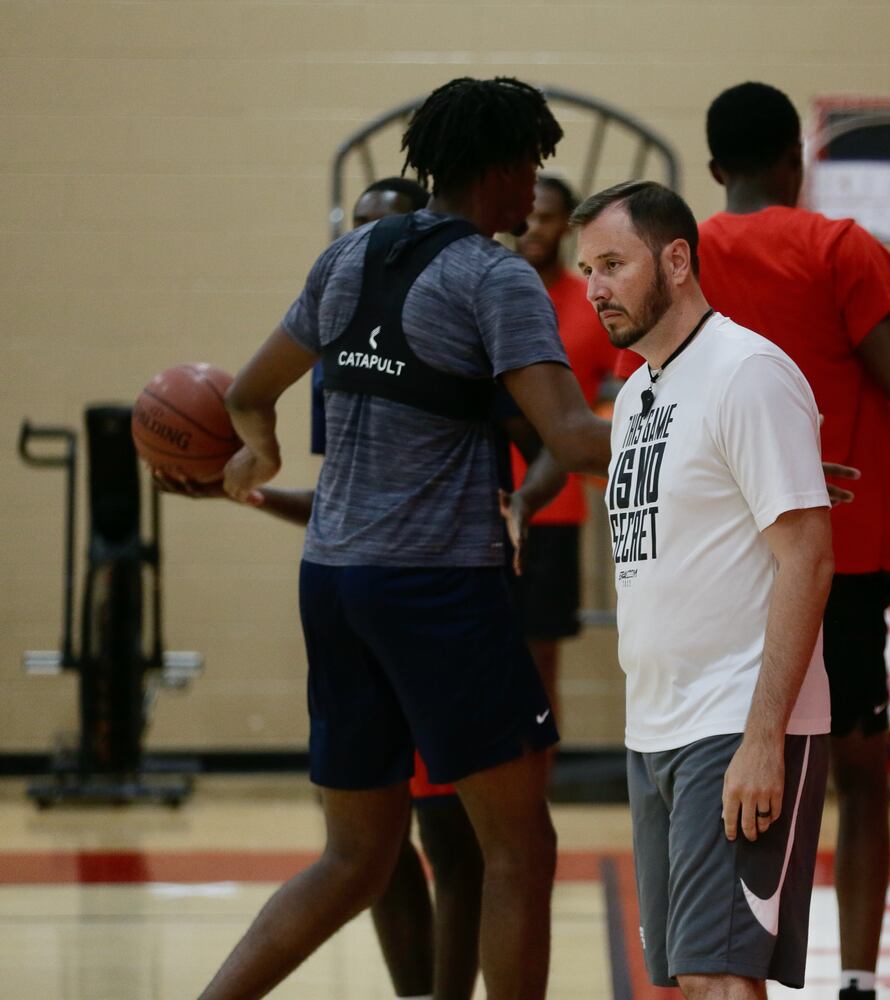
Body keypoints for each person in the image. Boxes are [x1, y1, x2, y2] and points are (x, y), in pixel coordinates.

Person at [194, 76, 611, 1000]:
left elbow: (246, 393)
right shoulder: (496, 277)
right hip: (437, 588)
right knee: (521, 849)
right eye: (533, 170)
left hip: (334, 582)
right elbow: (577, 439)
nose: (537, 193)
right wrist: (727, 442)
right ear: (502, 170)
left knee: (353, 862)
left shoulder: (346, 259)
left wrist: (256, 456)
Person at [692, 81, 890, 1000]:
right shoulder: (839, 245)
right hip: (839, 557)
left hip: (722, 556)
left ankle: (730, 969)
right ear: (797, 158)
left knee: (735, 768)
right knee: (860, 779)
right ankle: (860, 980)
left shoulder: (683, 258)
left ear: (716, 171)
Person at [572, 180, 834, 1000]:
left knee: (724, 979)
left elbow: (809, 557)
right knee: (693, 979)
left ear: (677, 260)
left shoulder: (748, 370)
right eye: (587, 270)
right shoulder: (635, 397)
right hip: (654, 726)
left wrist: (763, 738)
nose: (595, 289)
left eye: (614, 264)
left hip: (736, 721)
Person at [505, 173, 630, 777]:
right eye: (526, 216)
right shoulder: (486, 294)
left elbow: (639, 380)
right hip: (475, 499)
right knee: (474, 657)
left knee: (537, 665)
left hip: (552, 507)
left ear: (569, 227)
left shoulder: (591, 302)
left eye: (548, 216)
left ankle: (536, 793)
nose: (535, 228)